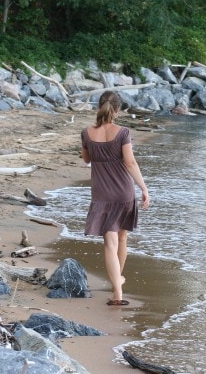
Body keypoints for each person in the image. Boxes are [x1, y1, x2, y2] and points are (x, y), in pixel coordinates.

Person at [80, 90, 150, 306]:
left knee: (110, 243)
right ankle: (116, 285)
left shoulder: (86, 133)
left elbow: (86, 159)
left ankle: (117, 291)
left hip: (101, 193)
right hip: (123, 191)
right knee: (122, 238)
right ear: (118, 110)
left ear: (99, 107)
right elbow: (130, 163)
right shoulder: (123, 132)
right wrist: (144, 188)